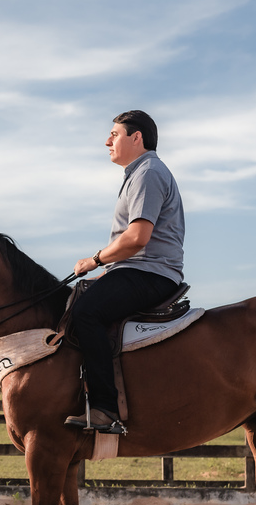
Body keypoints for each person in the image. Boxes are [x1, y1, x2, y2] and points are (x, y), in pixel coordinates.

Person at [64, 110, 184, 435]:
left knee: (85, 312)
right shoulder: (140, 173)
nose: (107, 141)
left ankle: (104, 408)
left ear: (136, 137)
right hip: (139, 270)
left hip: (149, 273)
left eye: (114, 134)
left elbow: (137, 238)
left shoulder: (148, 172)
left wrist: (95, 260)